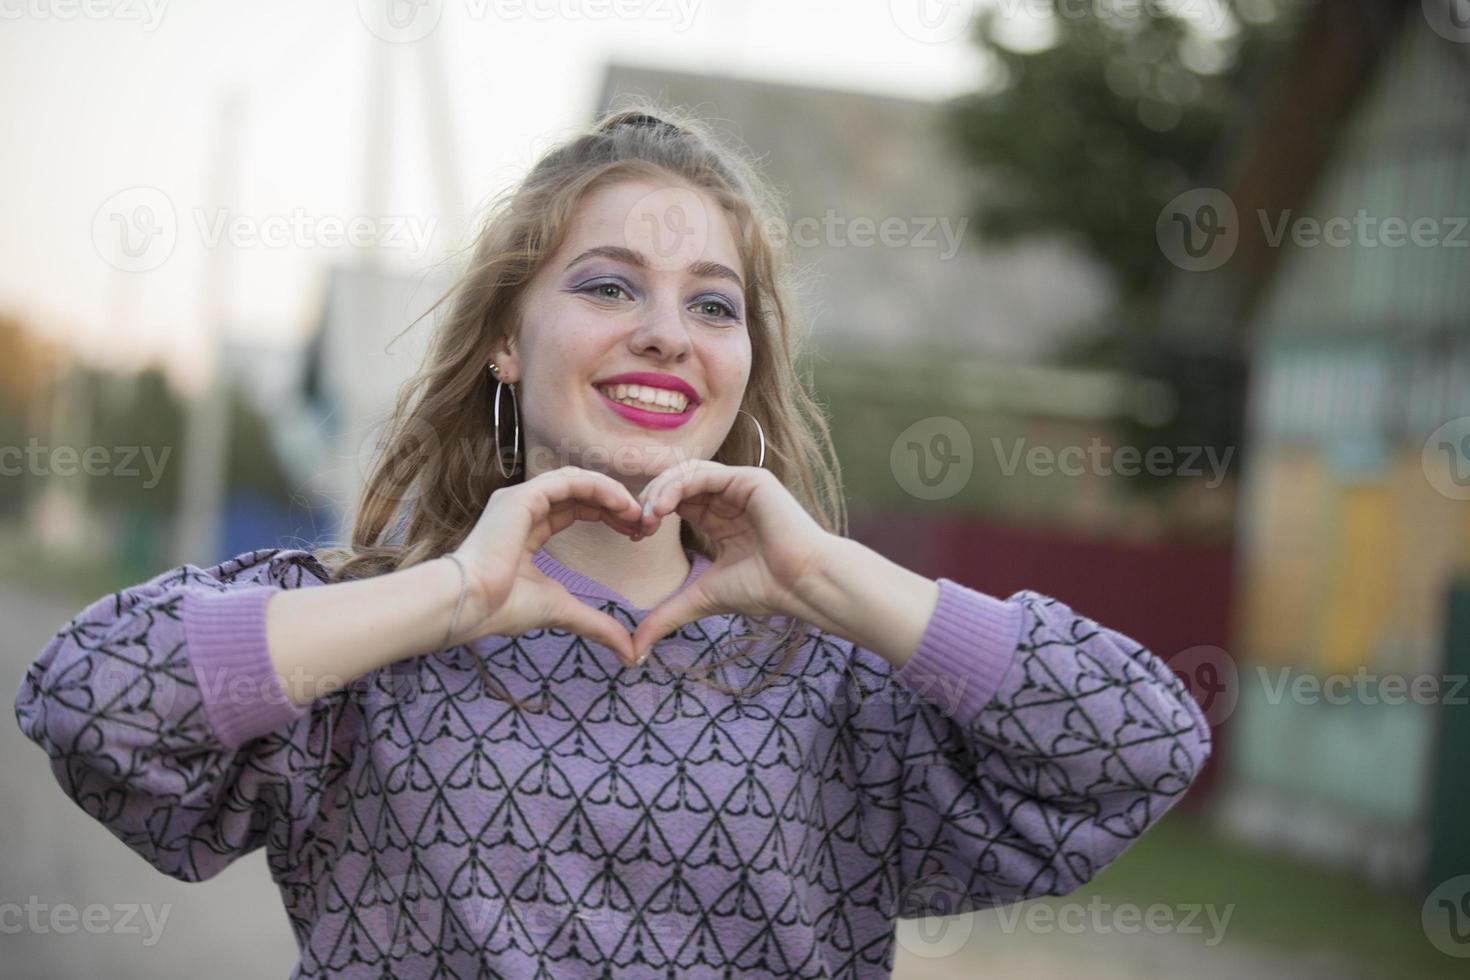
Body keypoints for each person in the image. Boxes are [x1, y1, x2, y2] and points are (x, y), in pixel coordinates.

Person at [14, 102, 1213, 978]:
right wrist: (447, 596)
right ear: (504, 340)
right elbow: (89, 699)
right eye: (606, 286)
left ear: (745, 366)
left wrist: (825, 574)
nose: (665, 333)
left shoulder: (841, 673)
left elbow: (1143, 743)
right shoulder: (358, 638)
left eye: (711, 303)